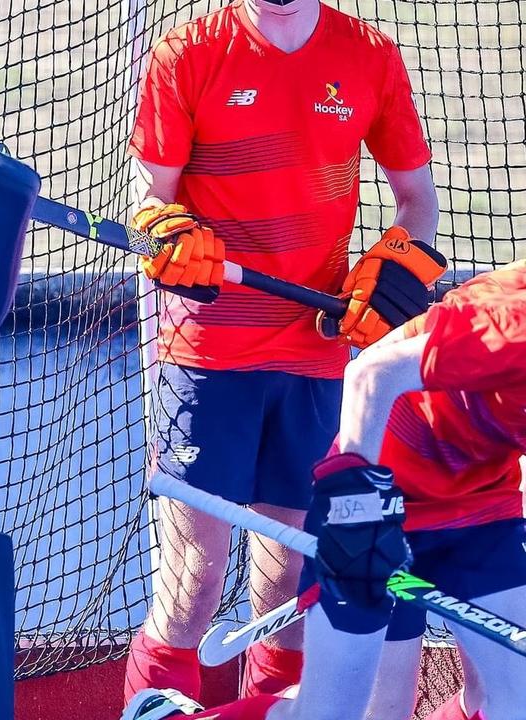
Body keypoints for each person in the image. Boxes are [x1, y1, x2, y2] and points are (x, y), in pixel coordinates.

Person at [124, 0, 444, 701]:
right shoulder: (187, 52)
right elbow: (149, 201)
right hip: (208, 350)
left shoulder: (370, 55)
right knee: (194, 581)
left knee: (286, 586)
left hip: (315, 350)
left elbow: (418, 201)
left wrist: (395, 262)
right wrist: (168, 229)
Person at [124, 260, 526, 720]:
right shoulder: (508, 322)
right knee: (356, 714)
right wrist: (357, 512)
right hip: (382, 486)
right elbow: (372, 376)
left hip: (481, 505)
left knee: (517, 702)